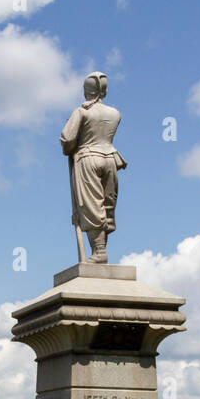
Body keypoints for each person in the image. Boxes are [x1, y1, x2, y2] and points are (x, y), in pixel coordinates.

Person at [60, 72, 126, 264]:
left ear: (86, 90)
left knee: (91, 206)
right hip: (110, 159)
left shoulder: (81, 112)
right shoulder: (115, 113)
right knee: (106, 205)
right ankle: (101, 249)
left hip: (88, 158)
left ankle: (98, 251)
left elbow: (67, 140)